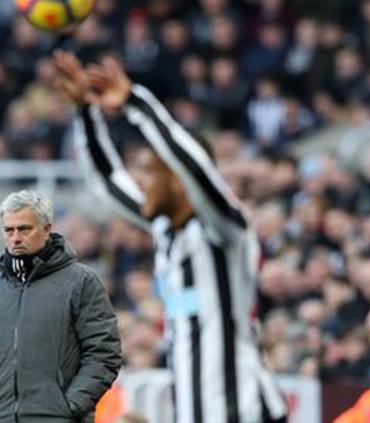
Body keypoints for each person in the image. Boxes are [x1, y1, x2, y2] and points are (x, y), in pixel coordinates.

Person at [52, 50, 288, 422]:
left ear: (179, 181)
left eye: (147, 171)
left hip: (244, 411)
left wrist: (136, 104)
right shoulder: (167, 230)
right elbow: (108, 181)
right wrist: (86, 112)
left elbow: (195, 166)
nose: (139, 181)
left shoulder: (225, 231)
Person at [0, 190, 122, 422]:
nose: (15, 238)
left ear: (46, 229)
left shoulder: (81, 282)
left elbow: (104, 353)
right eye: (9, 230)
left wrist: (70, 407)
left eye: (24, 229)